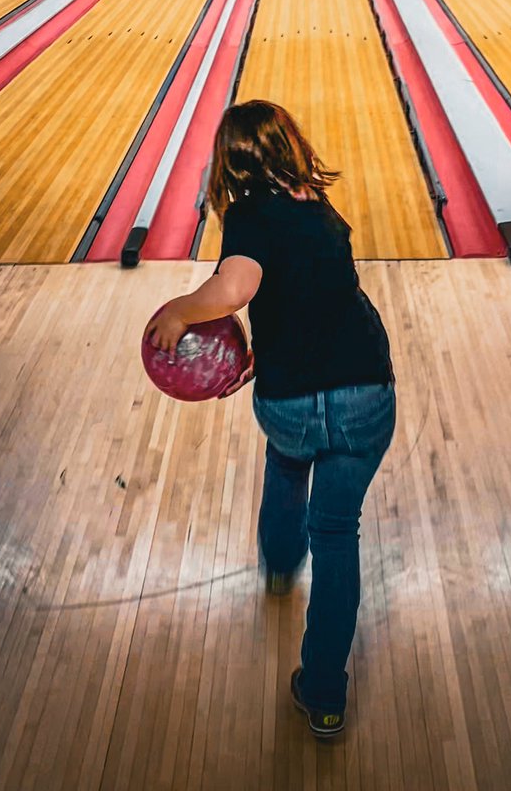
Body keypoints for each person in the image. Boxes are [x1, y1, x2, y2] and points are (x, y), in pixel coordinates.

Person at [145, 100, 396, 739]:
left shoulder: (250, 215)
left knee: (287, 465)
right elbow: (313, 288)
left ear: (231, 160)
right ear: (290, 146)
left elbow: (236, 288)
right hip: (365, 387)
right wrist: (266, 347)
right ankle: (324, 696)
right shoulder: (318, 205)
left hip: (291, 401)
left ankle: (281, 567)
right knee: (338, 534)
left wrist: (180, 310)